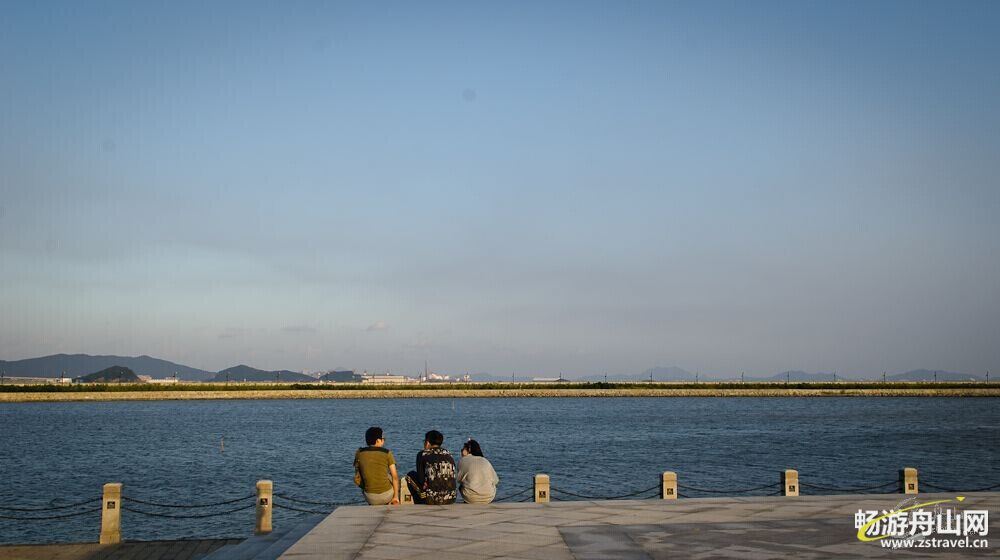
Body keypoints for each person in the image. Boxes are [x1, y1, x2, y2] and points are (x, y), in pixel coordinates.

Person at [405, 430, 456, 505]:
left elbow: (421, 479)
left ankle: (419, 501)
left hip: (432, 499)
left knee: (410, 475)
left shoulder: (422, 454)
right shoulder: (449, 454)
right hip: (451, 498)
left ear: (427, 442)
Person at [354, 426, 400, 505]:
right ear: (378, 440)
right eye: (383, 438)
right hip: (387, 496)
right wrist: (396, 496)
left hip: (369, 497)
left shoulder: (359, 453)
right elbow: (395, 477)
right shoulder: (387, 453)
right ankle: (393, 501)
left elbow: (358, 476)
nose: (384, 440)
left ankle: (373, 503)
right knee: (391, 477)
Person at [457, 439, 500, 504]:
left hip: (470, 498)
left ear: (469, 450)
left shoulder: (463, 460)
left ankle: (469, 499)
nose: (461, 450)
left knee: (462, 485)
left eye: (463, 448)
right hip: (489, 497)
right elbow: (496, 481)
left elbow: (458, 479)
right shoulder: (485, 460)